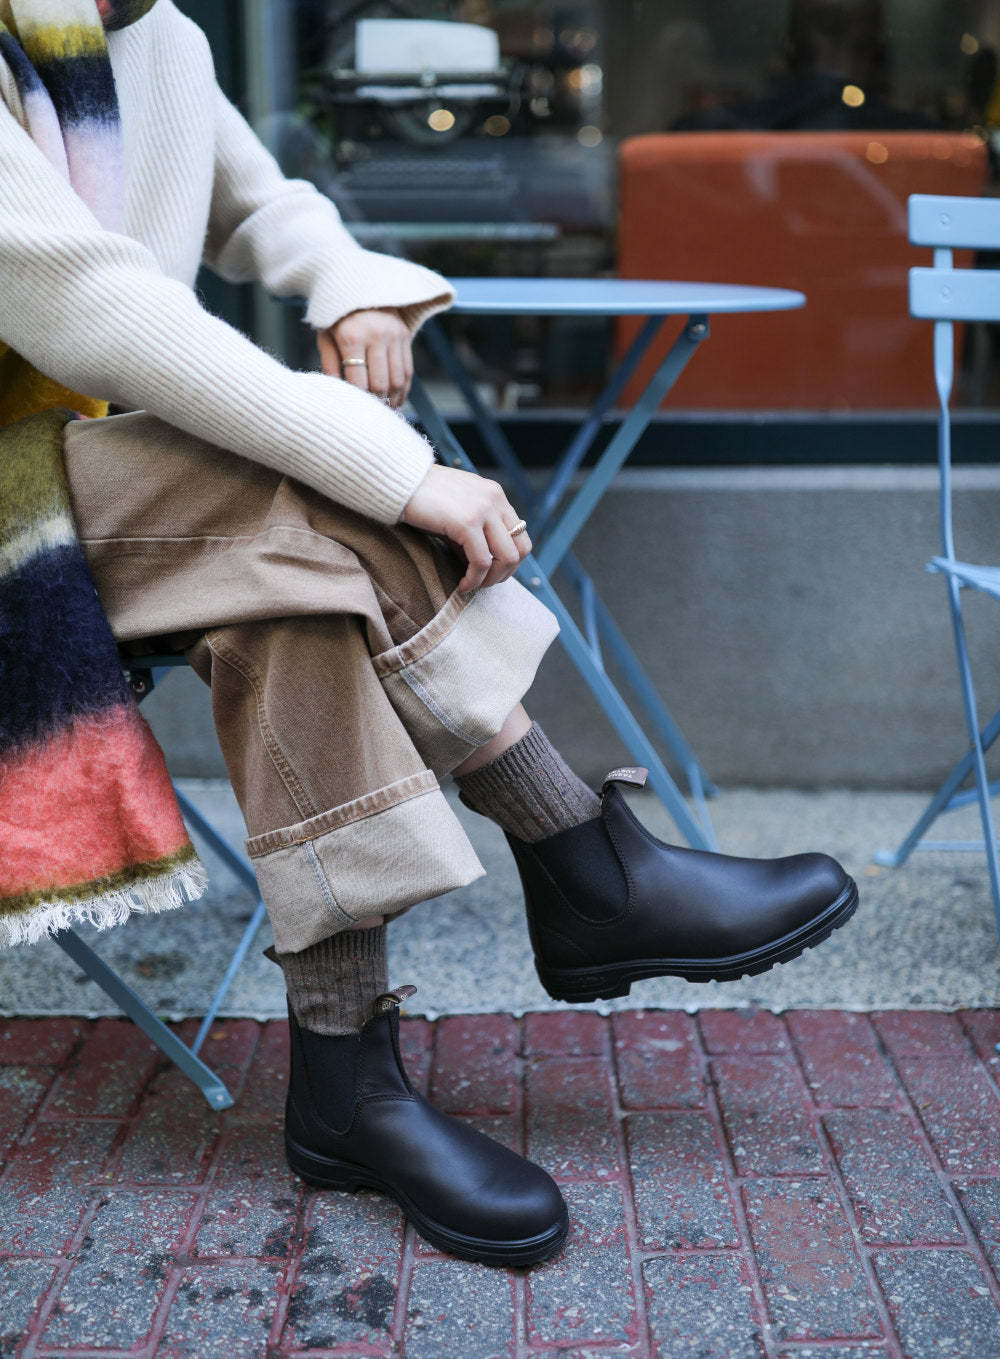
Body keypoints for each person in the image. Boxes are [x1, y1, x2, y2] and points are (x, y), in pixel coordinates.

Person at [0, 0, 858, 1268]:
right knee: (311, 480)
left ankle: (346, 1090)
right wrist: (398, 471)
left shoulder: (154, 36)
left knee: (294, 599)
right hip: (17, 504)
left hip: (119, 504)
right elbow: (89, 305)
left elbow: (265, 205)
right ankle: (580, 861)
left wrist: (352, 286)